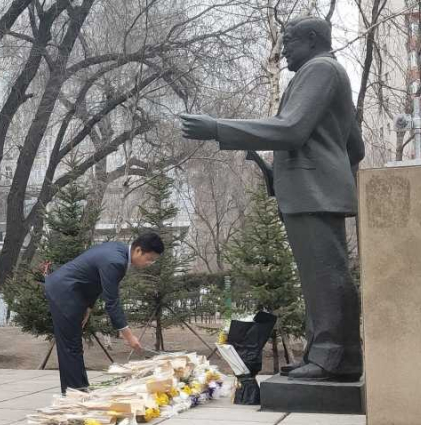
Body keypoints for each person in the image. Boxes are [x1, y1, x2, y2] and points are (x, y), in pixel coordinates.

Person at [180, 17, 365, 381]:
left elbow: (291, 129)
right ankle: (331, 356)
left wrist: (217, 128)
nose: (282, 52)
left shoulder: (320, 70)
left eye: (288, 42)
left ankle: (330, 358)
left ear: (311, 39)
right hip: (316, 192)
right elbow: (354, 146)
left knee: (324, 278)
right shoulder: (329, 73)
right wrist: (319, 171)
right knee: (323, 277)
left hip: (313, 195)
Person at [44, 232, 165, 393]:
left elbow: (95, 280)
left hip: (73, 292)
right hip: (64, 291)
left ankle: (79, 390)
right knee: (70, 346)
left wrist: (88, 307)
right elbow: (112, 302)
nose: (149, 263)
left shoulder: (119, 251)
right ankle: (75, 393)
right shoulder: (116, 261)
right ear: (138, 251)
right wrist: (129, 336)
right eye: (149, 259)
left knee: (73, 345)